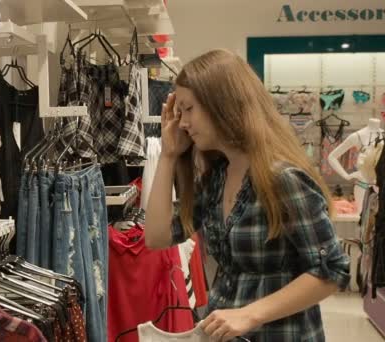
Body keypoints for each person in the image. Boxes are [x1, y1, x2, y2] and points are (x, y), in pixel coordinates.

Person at [144, 49, 350, 342]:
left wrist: (249, 314)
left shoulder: (282, 179)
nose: (183, 123)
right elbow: (156, 237)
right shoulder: (217, 178)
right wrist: (167, 156)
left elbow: (333, 271)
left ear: (222, 105)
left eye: (189, 109)